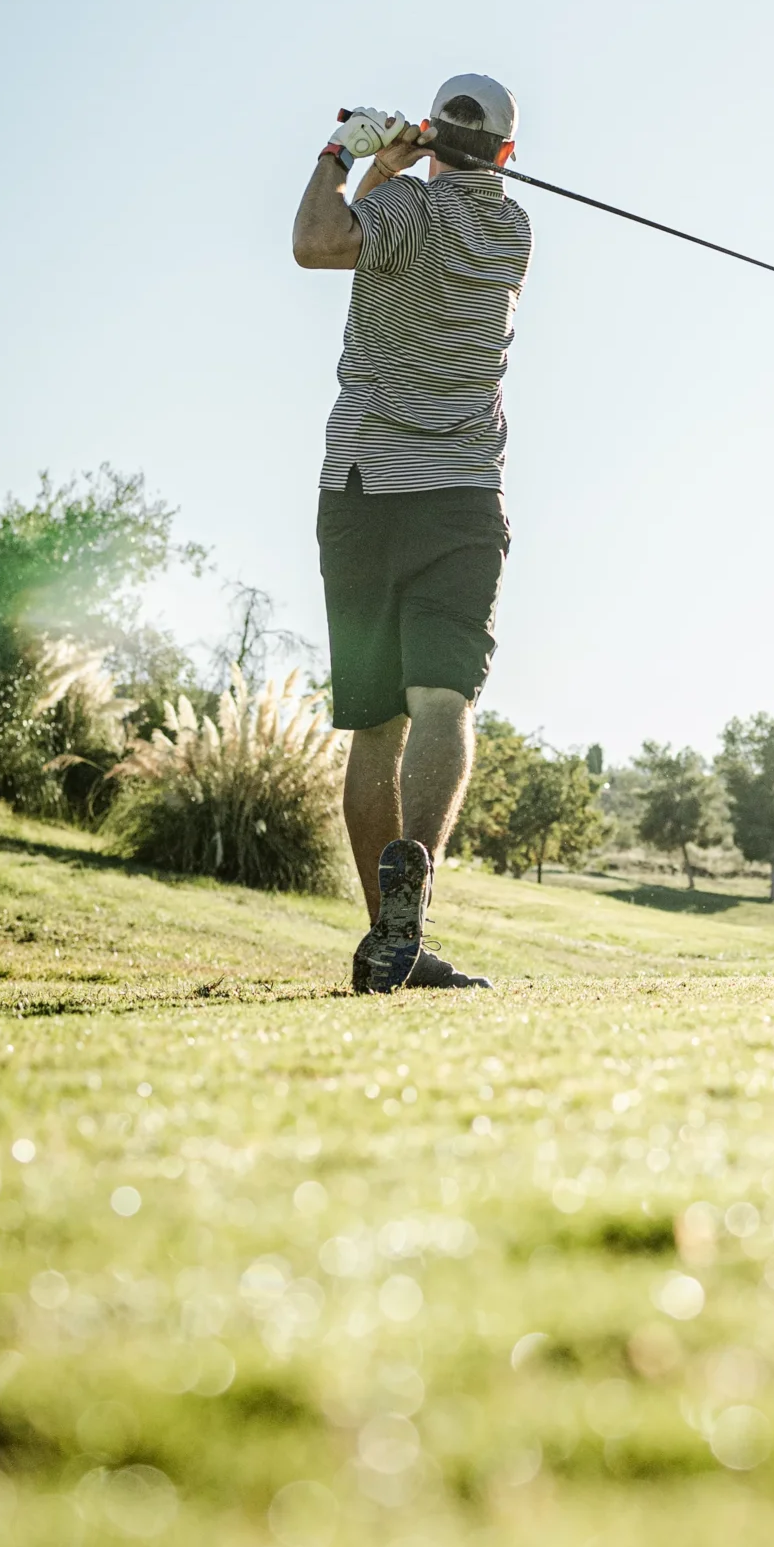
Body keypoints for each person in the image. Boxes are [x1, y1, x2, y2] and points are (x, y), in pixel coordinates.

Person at [292, 74, 532, 992]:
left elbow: (321, 242)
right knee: (443, 703)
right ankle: (411, 920)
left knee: (375, 726)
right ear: (505, 154)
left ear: (434, 133)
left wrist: (349, 153)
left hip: (361, 491)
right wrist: (400, 169)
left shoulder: (403, 210)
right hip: (460, 495)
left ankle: (382, 934)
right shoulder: (512, 231)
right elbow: (383, 236)